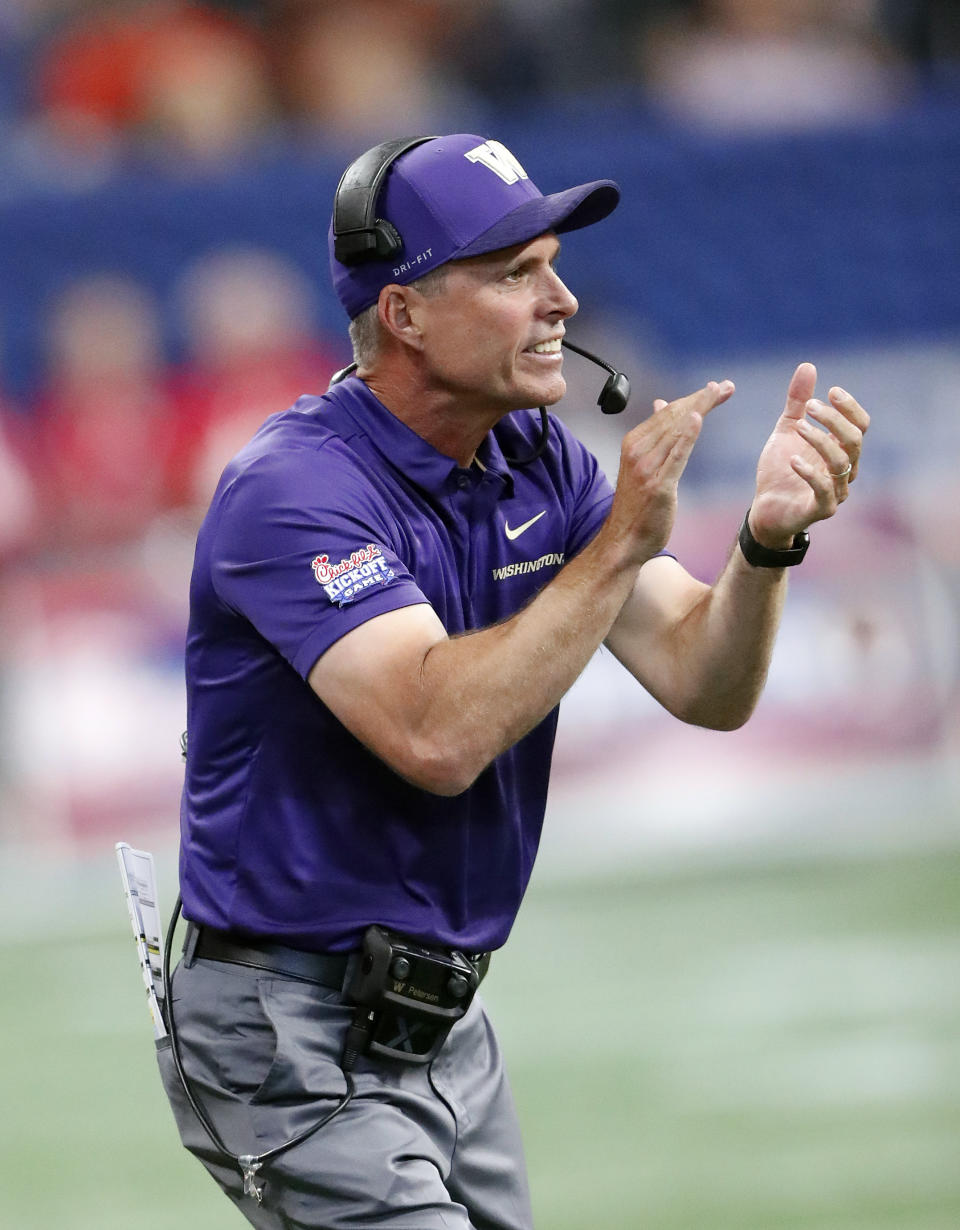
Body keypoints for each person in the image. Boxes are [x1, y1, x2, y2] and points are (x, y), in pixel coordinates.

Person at [159, 133, 868, 1228]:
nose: (563, 301)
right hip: (285, 1024)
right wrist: (621, 541)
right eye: (514, 273)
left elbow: (702, 681)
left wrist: (766, 545)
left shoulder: (536, 457)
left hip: (441, 1025)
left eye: (552, 265)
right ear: (404, 313)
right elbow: (436, 736)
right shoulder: (291, 491)